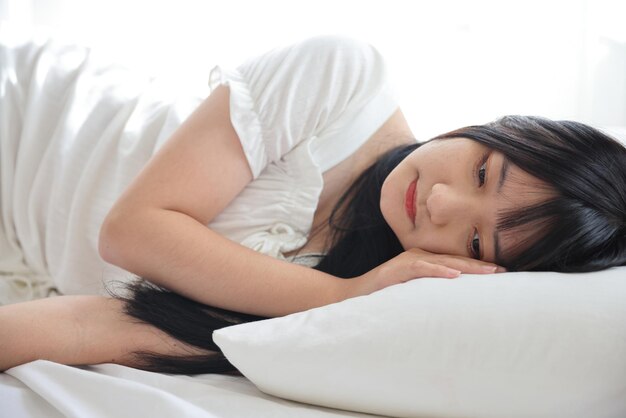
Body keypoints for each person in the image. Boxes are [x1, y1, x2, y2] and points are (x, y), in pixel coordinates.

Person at [1, 35, 625, 375]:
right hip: (24, 127)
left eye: (473, 242)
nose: (439, 200)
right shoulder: (343, 82)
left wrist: (342, 303)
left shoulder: (345, 321)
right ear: (501, 128)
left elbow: (94, 325)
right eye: (484, 170)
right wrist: (337, 298)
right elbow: (131, 233)